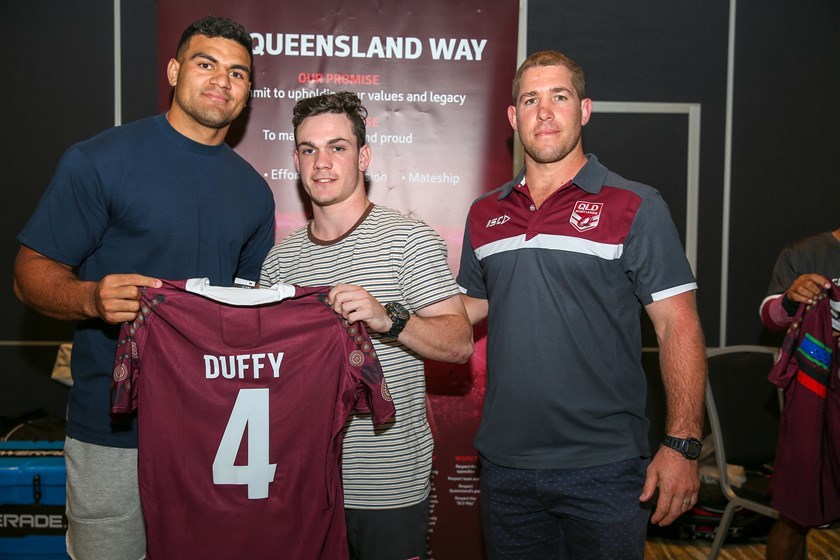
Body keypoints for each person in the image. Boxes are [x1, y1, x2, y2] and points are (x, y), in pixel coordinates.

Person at [13, 15, 275, 560]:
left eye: (238, 73)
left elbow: (247, 313)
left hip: (213, 430)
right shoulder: (100, 161)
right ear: (175, 70)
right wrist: (90, 297)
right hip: (113, 428)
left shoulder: (253, 193)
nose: (221, 80)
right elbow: (28, 274)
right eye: (206, 64)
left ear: (248, 92)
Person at [456, 50, 707, 559]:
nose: (544, 111)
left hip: (605, 468)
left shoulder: (636, 205)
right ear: (513, 117)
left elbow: (677, 327)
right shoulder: (485, 213)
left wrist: (682, 443)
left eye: (560, 97)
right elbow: (464, 313)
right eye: (531, 99)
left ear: (584, 110)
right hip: (506, 467)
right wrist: (387, 315)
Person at [260, 91, 473, 560]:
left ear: (364, 156)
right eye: (309, 149)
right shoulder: (279, 261)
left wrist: (388, 318)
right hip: (302, 485)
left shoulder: (408, 240)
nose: (322, 162)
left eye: (337, 147)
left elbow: (459, 344)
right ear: (295, 159)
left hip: (387, 490)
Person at [759, 227, 840, 560]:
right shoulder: (805, 252)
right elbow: (770, 318)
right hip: (815, 402)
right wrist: (792, 298)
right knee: (794, 516)